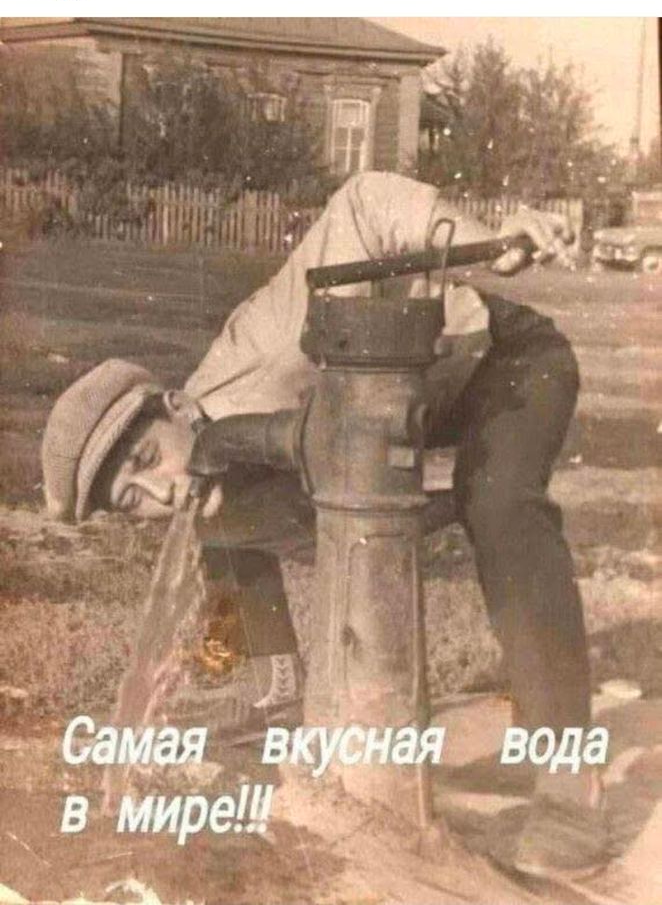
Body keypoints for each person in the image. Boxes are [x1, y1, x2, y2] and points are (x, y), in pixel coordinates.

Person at [41, 171, 605, 877]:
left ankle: (568, 779)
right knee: (222, 538)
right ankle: (276, 701)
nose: (163, 490)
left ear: (176, 407)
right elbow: (254, 555)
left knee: (501, 505)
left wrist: (484, 241)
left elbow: (364, 205)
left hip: (499, 359)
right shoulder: (203, 505)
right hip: (400, 432)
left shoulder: (266, 351)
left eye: (149, 457)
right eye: (133, 500)